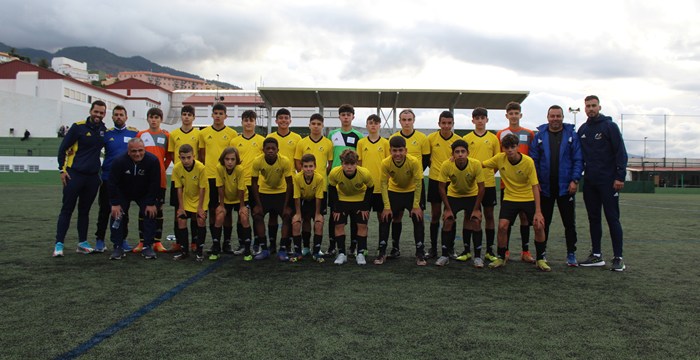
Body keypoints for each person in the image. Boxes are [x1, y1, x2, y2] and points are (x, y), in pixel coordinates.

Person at [483, 134, 550, 271]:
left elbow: (535, 187)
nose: (510, 150)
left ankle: (541, 258)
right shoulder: (500, 158)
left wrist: (538, 212)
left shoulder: (528, 162)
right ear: (503, 148)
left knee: (539, 225)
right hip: (510, 198)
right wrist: (457, 159)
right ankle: (501, 257)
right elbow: (480, 164)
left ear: (518, 147)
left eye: (513, 147)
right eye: (506, 147)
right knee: (502, 226)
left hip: (528, 197)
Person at [577, 95, 628, 272]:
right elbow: (578, 156)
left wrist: (620, 176)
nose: (590, 108)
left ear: (599, 107)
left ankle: (618, 257)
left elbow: (620, 152)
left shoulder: (609, 126)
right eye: (587, 106)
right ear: (584, 108)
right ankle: (597, 255)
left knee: (612, 218)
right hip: (590, 182)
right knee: (593, 218)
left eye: (593, 105)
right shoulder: (583, 129)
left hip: (609, 181)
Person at [529, 105, 583, 267]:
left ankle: (571, 253)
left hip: (566, 188)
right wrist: (536, 182)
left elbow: (578, 160)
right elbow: (533, 161)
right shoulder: (539, 136)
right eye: (552, 116)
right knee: (544, 222)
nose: (555, 119)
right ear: (547, 117)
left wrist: (575, 180)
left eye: (558, 116)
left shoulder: (571, 135)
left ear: (562, 117)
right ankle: (541, 253)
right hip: (545, 188)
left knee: (569, 223)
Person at [53, 100, 107, 257]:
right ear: (91, 111)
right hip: (74, 174)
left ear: (104, 114)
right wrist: (62, 170)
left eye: (101, 113)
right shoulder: (78, 127)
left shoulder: (103, 130)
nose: (98, 115)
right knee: (67, 209)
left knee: (85, 211)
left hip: (92, 178)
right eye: (96, 112)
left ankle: (82, 243)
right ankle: (59, 244)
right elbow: (63, 149)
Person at [94, 105, 138, 253]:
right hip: (107, 179)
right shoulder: (106, 134)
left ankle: (122, 239)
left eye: (121, 115)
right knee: (105, 210)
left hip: (126, 180)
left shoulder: (133, 133)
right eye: (116, 115)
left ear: (126, 117)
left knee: (123, 212)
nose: (119, 117)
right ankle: (100, 239)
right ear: (112, 117)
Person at [108, 138, 161, 260]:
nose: (137, 154)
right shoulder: (119, 161)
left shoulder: (152, 161)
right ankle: (118, 246)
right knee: (117, 215)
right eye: (134, 151)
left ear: (144, 149)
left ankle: (147, 246)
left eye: (140, 150)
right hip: (123, 193)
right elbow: (112, 183)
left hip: (144, 193)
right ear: (128, 151)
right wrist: (115, 203)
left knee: (150, 213)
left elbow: (155, 183)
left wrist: (151, 202)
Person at [496, 101, 536, 263]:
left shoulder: (529, 134)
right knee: (507, 221)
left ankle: (525, 251)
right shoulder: (501, 134)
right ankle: (504, 251)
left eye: (516, 113)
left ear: (520, 115)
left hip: (526, 187)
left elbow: (533, 156)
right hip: (508, 185)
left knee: (525, 219)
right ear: (507, 116)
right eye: (510, 113)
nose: (513, 116)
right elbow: (498, 158)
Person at [436, 140, 485, 267]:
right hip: (454, 195)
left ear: (468, 152)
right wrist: (447, 209)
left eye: (463, 151)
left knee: (475, 220)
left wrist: (476, 210)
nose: (460, 154)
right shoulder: (446, 164)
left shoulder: (475, 164)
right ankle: (444, 255)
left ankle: (478, 257)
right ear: (453, 154)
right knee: (448, 220)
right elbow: (441, 187)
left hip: (472, 195)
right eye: (457, 152)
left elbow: (481, 188)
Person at [388, 109, 429, 258]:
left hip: (415, 185)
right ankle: (395, 248)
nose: (406, 122)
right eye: (403, 120)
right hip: (397, 185)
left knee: (417, 216)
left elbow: (425, 160)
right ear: (399, 121)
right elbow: (391, 160)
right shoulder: (393, 137)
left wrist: (414, 175)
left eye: (409, 119)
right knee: (396, 216)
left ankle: (420, 249)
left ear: (413, 120)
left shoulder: (422, 138)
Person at [380, 136, 426, 266]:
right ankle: (387, 250)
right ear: (390, 151)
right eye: (394, 151)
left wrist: (416, 205)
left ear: (406, 150)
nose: (398, 154)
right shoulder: (385, 162)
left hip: (411, 191)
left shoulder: (414, 161)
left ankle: (420, 252)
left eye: (400, 150)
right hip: (395, 191)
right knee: (386, 217)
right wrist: (387, 207)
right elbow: (383, 184)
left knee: (418, 218)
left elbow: (418, 184)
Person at [199, 103, 238, 252]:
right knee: (212, 209)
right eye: (215, 113)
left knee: (226, 210)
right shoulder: (204, 133)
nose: (218, 116)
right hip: (209, 177)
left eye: (221, 113)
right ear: (212, 115)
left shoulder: (232, 134)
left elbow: (233, 156)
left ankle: (226, 243)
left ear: (226, 116)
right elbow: (202, 155)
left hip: (226, 177)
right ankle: (215, 242)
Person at [463, 107, 501, 262]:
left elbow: (497, 160)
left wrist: (488, 173)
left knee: (489, 215)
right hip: (471, 185)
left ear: (487, 120)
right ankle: (467, 250)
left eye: (482, 118)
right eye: (476, 118)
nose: (479, 120)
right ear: (472, 120)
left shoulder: (493, 139)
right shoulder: (466, 138)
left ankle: (489, 250)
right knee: (469, 215)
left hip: (489, 183)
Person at [294, 113, 333, 256]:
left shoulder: (328, 143)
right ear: (309, 125)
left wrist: (318, 176)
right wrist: (305, 178)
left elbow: (329, 164)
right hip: (304, 188)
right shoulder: (302, 142)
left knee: (318, 219)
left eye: (319, 124)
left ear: (322, 126)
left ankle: (317, 248)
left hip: (321, 187)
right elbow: (298, 162)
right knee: (304, 219)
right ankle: (305, 247)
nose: (316, 126)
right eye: (313, 124)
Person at [328, 104, 364, 257]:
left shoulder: (359, 136)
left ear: (353, 117)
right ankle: (332, 245)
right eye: (343, 114)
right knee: (334, 215)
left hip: (352, 179)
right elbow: (330, 160)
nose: (346, 117)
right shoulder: (332, 134)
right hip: (336, 180)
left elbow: (359, 160)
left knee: (355, 216)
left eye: (348, 115)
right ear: (339, 117)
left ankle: (353, 246)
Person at [134, 108, 171, 253]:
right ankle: (142, 241)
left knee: (159, 209)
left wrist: (161, 168)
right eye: (151, 117)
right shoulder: (141, 135)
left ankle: (157, 241)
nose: (154, 120)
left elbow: (169, 156)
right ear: (148, 119)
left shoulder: (166, 135)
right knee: (143, 209)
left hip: (160, 178)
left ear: (161, 119)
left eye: (156, 117)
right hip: (143, 179)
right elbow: (135, 153)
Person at [250, 137, 294, 261]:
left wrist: (286, 206)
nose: (270, 151)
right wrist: (258, 204)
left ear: (277, 150)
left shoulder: (284, 161)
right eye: (267, 148)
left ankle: (283, 249)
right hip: (264, 192)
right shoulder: (257, 161)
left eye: (273, 148)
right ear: (263, 149)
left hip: (281, 192)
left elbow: (290, 184)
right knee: (257, 215)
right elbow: (253, 183)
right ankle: (264, 249)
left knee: (287, 216)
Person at [328, 150, 374, 265]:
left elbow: (370, 187)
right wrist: (336, 207)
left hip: (359, 199)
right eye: (346, 164)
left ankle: (360, 253)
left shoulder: (364, 173)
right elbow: (332, 188)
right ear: (342, 163)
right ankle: (342, 253)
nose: (349, 167)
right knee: (338, 225)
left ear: (356, 163)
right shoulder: (334, 172)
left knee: (362, 225)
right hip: (342, 199)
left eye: (352, 164)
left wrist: (365, 206)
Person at [426, 111, 460, 259]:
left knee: (450, 216)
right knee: (435, 215)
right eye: (443, 123)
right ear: (439, 124)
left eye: (449, 123)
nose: (446, 126)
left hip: (452, 182)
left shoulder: (459, 140)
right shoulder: (431, 138)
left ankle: (450, 248)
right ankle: (433, 248)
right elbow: (427, 158)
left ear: (452, 124)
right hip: (435, 180)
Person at [266, 108, 301, 253]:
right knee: (273, 214)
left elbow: (298, 160)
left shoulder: (297, 138)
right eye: (280, 118)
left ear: (290, 120)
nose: (283, 120)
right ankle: (273, 244)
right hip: (272, 183)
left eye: (286, 118)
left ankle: (286, 244)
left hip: (289, 183)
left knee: (288, 215)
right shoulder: (270, 136)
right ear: (276, 121)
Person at [357, 114, 391, 263]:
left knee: (382, 219)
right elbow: (358, 164)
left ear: (379, 126)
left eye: (376, 123)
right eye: (370, 123)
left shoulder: (385, 143)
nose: (373, 125)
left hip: (381, 188)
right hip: (365, 189)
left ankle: (381, 249)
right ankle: (362, 249)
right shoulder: (361, 142)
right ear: (366, 125)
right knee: (363, 220)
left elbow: (389, 166)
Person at [229, 110, 264, 255]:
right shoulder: (235, 142)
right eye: (246, 120)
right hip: (240, 184)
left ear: (255, 122)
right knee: (241, 214)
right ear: (242, 122)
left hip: (256, 184)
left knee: (256, 214)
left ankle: (257, 244)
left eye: (251, 120)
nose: (248, 123)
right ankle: (243, 243)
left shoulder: (262, 140)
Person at [168, 105, 201, 253]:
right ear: (181, 116)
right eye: (184, 114)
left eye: (189, 114)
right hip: (179, 178)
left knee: (194, 211)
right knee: (178, 211)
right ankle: (179, 242)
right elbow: (171, 155)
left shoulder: (198, 134)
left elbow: (201, 154)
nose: (186, 117)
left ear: (194, 117)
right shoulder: (174, 134)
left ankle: (194, 242)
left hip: (194, 178)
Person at [213, 147, 252, 261]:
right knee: (220, 216)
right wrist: (221, 205)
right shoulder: (219, 168)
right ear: (223, 159)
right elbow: (220, 186)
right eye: (227, 159)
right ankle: (217, 249)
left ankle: (247, 250)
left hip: (240, 197)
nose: (230, 162)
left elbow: (241, 189)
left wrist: (241, 207)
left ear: (236, 160)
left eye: (233, 159)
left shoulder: (239, 169)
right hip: (226, 197)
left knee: (244, 217)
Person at [171, 144, 208, 262]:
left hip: (201, 198)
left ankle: (199, 252)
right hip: (187, 198)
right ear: (179, 157)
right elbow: (179, 188)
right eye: (183, 158)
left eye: (188, 157)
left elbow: (202, 188)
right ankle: (184, 251)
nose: (186, 160)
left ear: (194, 156)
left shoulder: (201, 168)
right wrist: (181, 207)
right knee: (181, 219)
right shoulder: (177, 168)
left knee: (200, 220)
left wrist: (200, 208)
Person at [291, 154, 326, 262]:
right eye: (305, 166)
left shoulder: (319, 178)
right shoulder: (297, 178)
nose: (308, 169)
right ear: (301, 167)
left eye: (311, 166)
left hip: (316, 201)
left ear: (315, 166)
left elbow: (319, 197)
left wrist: (317, 214)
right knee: (297, 222)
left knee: (319, 222)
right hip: (302, 200)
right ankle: (300, 251)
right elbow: (296, 197)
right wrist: (298, 214)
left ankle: (316, 252)